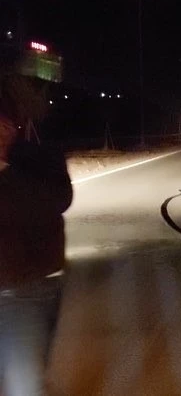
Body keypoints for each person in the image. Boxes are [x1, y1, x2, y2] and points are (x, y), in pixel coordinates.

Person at [0, 96, 73, 395]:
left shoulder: (39, 156)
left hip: (31, 286)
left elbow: (59, 200)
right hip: (22, 286)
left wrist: (4, 169)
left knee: (25, 382)